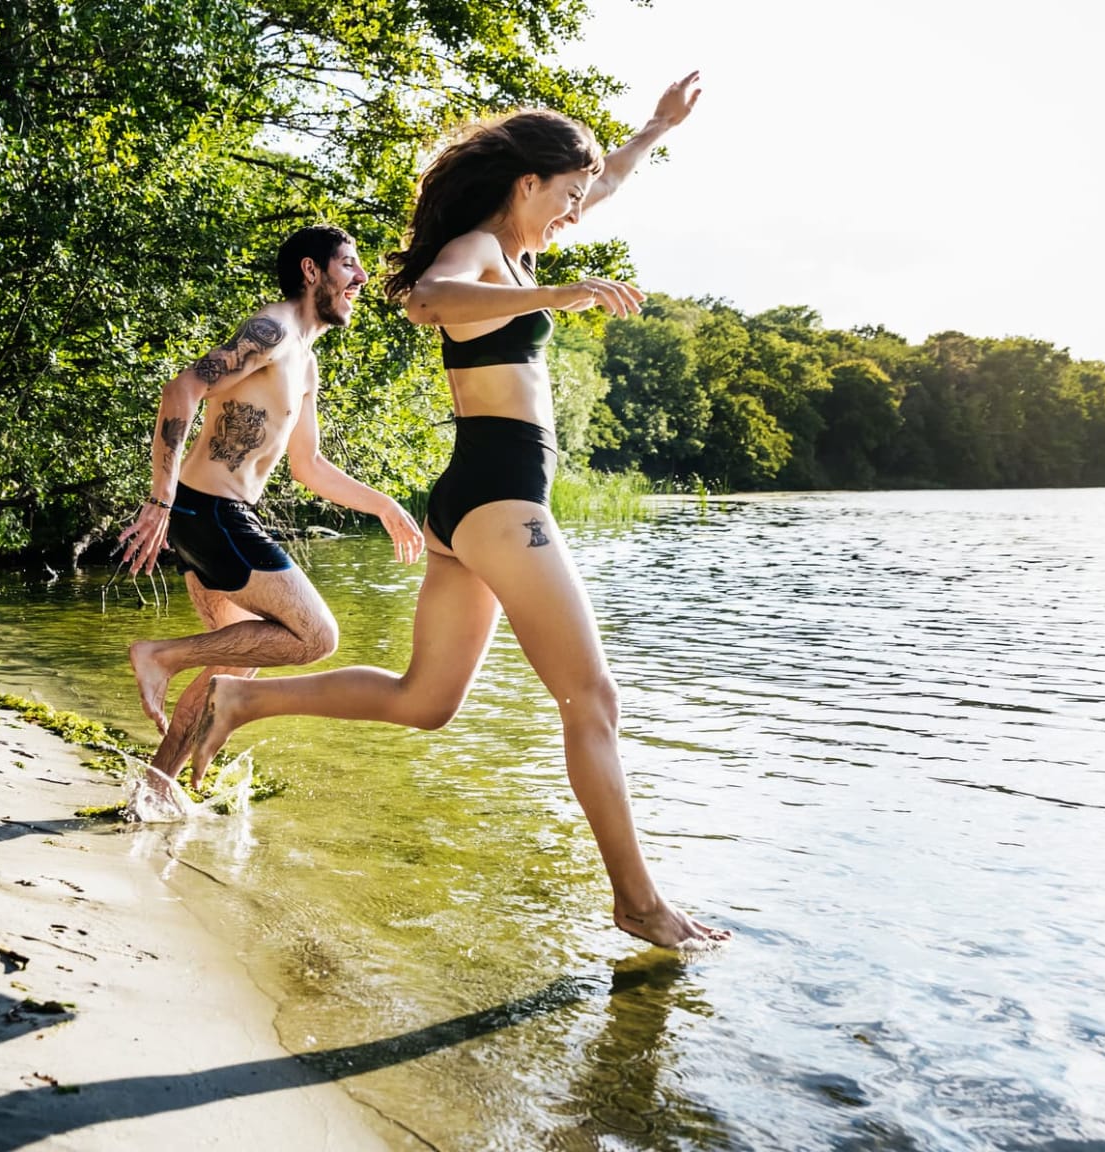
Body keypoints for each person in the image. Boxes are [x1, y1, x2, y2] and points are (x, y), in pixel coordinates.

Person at [182, 75, 730, 949]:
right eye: (567, 196)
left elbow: (610, 176)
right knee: (593, 699)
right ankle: (637, 902)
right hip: (501, 496)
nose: (577, 213)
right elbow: (427, 300)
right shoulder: (479, 251)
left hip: (475, 500)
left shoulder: (519, 253)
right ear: (527, 184)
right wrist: (556, 297)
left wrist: (655, 129)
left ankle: (241, 702)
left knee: (425, 700)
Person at [116, 224, 425, 806]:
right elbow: (180, 390)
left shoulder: (304, 362)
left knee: (235, 667)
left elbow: (308, 466)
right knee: (315, 637)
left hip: (211, 514)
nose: (360, 279)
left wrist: (384, 505)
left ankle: (155, 791)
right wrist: (159, 500)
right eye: (349, 265)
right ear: (312, 271)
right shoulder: (273, 330)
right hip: (210, 510)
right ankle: (159, 655)